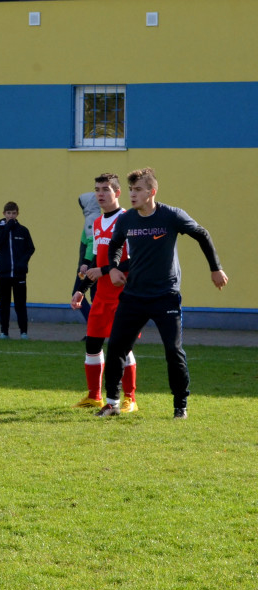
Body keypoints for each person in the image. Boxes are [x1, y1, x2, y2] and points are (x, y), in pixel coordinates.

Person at [95, 167, 228, 419]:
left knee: (173, 350)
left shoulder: (171, 216)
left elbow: (202, 234)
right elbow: (115, 245)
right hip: (133, 296)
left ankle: (180, 406)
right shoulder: (127, 219)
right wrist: (112, 269)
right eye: (131, 190)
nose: (132, 195)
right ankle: (112, 403)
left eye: (138, 190)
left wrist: (216, 269)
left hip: (165, 295)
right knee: (116, 347)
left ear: (151, 192)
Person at [70, 174, 137, 411]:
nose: (100, 194)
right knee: (92, 346)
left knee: (122, 348)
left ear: (117, 193)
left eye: (106, 189)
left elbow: (134, 260)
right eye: (97, 189)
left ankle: (130, 399)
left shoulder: (129, 219)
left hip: (124, 297)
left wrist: (105, 271)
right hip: (101, 296)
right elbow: (95, 261)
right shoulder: (97, 223)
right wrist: (81, 290)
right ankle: (93, 396)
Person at [0, 201, 35, 339]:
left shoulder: (23, 230)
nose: (11, 216)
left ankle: (24, 332)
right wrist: (7, 228)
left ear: (17, 214)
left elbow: (30, 248)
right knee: (4, 304)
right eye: (8, 213)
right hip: (3, 273)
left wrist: (23, 262)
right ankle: (4, 332)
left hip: (18, 274)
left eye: (13, 213)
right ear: (4, 214)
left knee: (20, 304)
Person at [74, 190, 101, 323]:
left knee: (78, 292)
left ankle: (93, 323)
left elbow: (92, 242)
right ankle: (97, 325)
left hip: (88, 264)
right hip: (94, 263)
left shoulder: (91, 218)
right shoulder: (97, 216)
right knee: (94, 295)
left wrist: (85, 262)